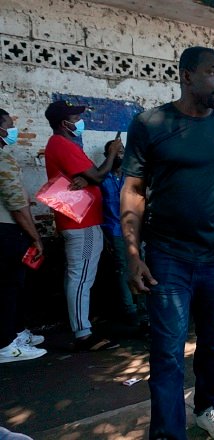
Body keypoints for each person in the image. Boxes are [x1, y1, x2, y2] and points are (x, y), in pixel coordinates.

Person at [121, 46, 214, 440]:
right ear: (186, 75)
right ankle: (167, 432)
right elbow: (133, 188)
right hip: (168, 257)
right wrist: (133, 253)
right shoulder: (150, 124)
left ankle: (207, 408)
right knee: (167, 350)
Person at [43, 100, 120, 351]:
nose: (79, 122)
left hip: (82, 219)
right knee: (81, 277)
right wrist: (112, 153)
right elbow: (97, 175)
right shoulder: (62, 144)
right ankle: (83, 334)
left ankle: (82, 328)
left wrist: (86, 182)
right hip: (80, 221)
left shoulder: (61, 145)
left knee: (79, 275)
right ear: (64, 123)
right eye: (75, 118)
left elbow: (88, 178)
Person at [0, 108, 47, 363]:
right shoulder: (3, 159)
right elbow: (17, 205)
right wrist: (35, 237)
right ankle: (6, 345)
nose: (12, 129)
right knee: (10, 287)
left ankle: (15, 334)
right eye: (8, 124)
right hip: (6, 229)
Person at [101, 139, 147, 330]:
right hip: (114, 231)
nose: (121, 154)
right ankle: (130, 310)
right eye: (116, 152)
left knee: (140, 267)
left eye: (123, 151)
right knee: (123, 271)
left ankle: (144, 307)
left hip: (135, 230)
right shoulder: (102, 179)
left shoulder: (131, 177)